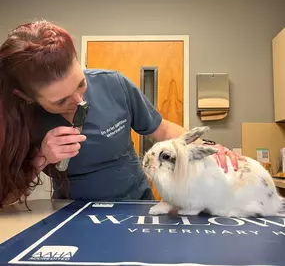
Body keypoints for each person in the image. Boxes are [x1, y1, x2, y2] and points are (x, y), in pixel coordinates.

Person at [0, 20, 243, 207]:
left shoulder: (114, 85)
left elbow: (164, 129)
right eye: (61, 100)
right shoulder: (21, 120)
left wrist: (211, 151)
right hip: (73, 215)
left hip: (137, 205)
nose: (79, 100)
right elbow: (7, 198)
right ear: (28, 97)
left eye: (81, 84)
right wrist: (42, 156)